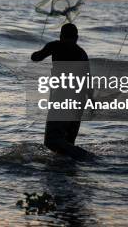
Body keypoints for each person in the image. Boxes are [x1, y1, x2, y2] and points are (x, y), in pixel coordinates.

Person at [31, 23, 90, 157]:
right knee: (68, 144)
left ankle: (87, 157)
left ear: (61, 36)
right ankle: (66, 172)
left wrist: (36, 52)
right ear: (77, 37)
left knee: (51, 141)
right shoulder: (82, 53)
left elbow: (36, 57)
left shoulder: (55, 46)